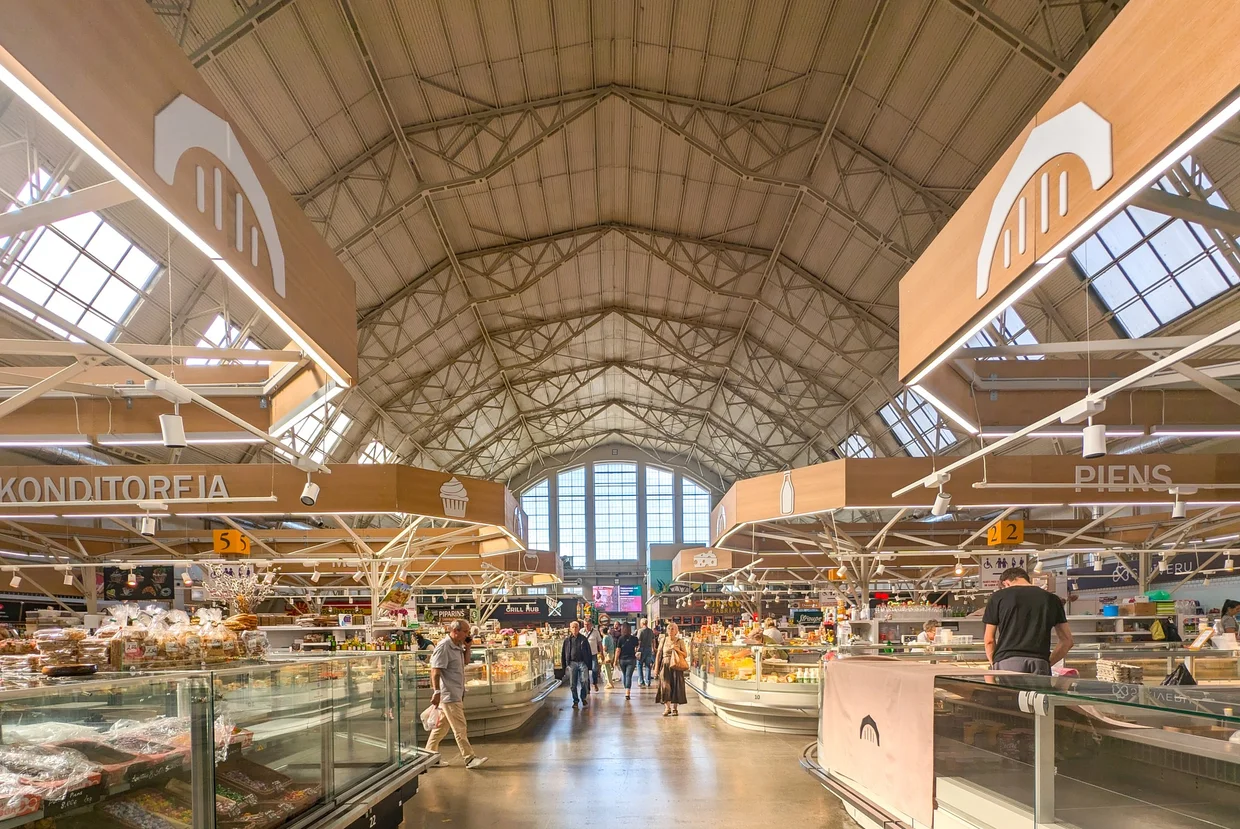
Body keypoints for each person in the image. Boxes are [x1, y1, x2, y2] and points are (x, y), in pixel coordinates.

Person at [983, 566, 1073, 675]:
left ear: (1005, 583)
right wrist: (1047, 663)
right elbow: (1067, 641)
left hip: (1007, 662)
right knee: (1037, 693)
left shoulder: (998, 597)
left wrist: (995, 664)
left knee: (1010, 692)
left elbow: (989, 640)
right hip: (1039, 661)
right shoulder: (1052, 599)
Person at [425, 620, 488, 769]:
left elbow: (465, 662)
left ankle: (429, 756)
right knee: (460, 727)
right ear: (455, 631)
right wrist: (437, 692)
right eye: (465, 632)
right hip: (449, 694)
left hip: (457, 692)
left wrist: (468, 647)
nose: (468, 635)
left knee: (441, 728)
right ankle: (469, 758)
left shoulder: (458, 645)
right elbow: (435, 671)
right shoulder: (444, 647)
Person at [654, 621, 689, 716]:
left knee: (676, 686)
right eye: (669, 628)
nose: (670, 630)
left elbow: (685, 654)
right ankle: (667, 707)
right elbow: (659, 654)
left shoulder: (680, 641)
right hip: (665, 666)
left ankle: (674, 708)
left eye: (672, 629)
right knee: (665, 686)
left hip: (676, 666)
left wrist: (677, 649)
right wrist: (656, 668)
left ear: (676, 631)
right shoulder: (663, 640)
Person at [561, 620, 593, 708]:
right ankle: (575, 700)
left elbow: (588, 652)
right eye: (573, 627)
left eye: (576, 627)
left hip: (582, 663)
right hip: (572, 663)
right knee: (573, 684)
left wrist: (589, 664)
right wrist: (564, 665)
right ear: (570, 629)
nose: (574, 629)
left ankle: (583, 698)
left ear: (579, 628)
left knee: (584, 681)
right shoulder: (567, 640)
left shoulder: (583, 639)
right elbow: (563, 653)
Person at [615, 623, 639, 700]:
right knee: (628, 676)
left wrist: (615, 660)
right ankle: (627, 692)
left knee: (625, 675)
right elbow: (637, 647)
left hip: (622, 659)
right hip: (631, 659)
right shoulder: (634, 638)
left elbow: (618, 650)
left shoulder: (620, 639)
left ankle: (626, 689)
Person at [583, 619, 603, 691]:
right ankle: (587, 687)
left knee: (595, 669)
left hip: (593, 654)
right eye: (585, 624)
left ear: (591, 624)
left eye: (588, 624)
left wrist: (601, 653)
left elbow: (599, 643)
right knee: (585, 671)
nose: (586, 626)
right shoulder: (581, 632)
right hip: (584, 655)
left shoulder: (595, 632)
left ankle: (595, 683)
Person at [637, 618, 655, 687]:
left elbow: (639, 641)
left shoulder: (640, 631)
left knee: (639, 665)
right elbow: (653, 640)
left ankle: (641, 681)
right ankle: (648, 681)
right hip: (649, 649)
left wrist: (637, 649)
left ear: (642, 623)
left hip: (642, 649)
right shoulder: (651, 631)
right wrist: (653, 648)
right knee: (648, 665)